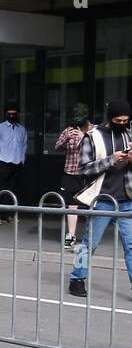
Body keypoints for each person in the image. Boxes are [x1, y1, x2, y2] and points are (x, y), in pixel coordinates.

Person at [67, 100, 131, 299]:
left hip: (127, 198)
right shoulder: (92, 137)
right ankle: (77, 279)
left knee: (131, 245)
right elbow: (84, 168)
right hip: (102, 198)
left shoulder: (130, 132)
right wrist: (112, 159)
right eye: (118, 120)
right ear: (110, 118)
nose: (122, 123)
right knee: (89, 243)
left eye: (126, 120)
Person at [54, 104, 93, 248]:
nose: (78, 119)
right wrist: (66, 139)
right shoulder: (68, 130)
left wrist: (84, 137)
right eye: (75, 116)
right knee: (72, 205)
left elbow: (100, 150)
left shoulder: (94, 130)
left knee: (92, 205)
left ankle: (90, 239)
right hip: (70, 172)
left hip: (88, 173)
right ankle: (71, 236)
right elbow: (57, 147)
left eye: (80, 116)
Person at [0, 101, 28, 224]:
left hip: (16, 164)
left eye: (14, 114)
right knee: (0, 190)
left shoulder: (21, 130)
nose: (11, 116)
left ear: (18, 115)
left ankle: (8, 215)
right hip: (3, 163)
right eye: (9, 114)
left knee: (13, 190)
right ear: (6, 114)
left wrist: (22, 160)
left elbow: (24, 146)